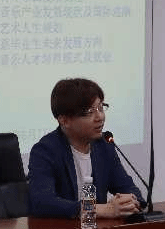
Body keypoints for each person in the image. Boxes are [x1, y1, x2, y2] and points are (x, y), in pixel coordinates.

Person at [28, 78, 145, 219]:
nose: (100, 117)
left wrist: (129, 202)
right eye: (90, 112)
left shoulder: (104, 146)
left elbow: (128, 187)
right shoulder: (46, 151)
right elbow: (42, 202)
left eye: (101, 108)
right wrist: (100, 209)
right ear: (64, 120)